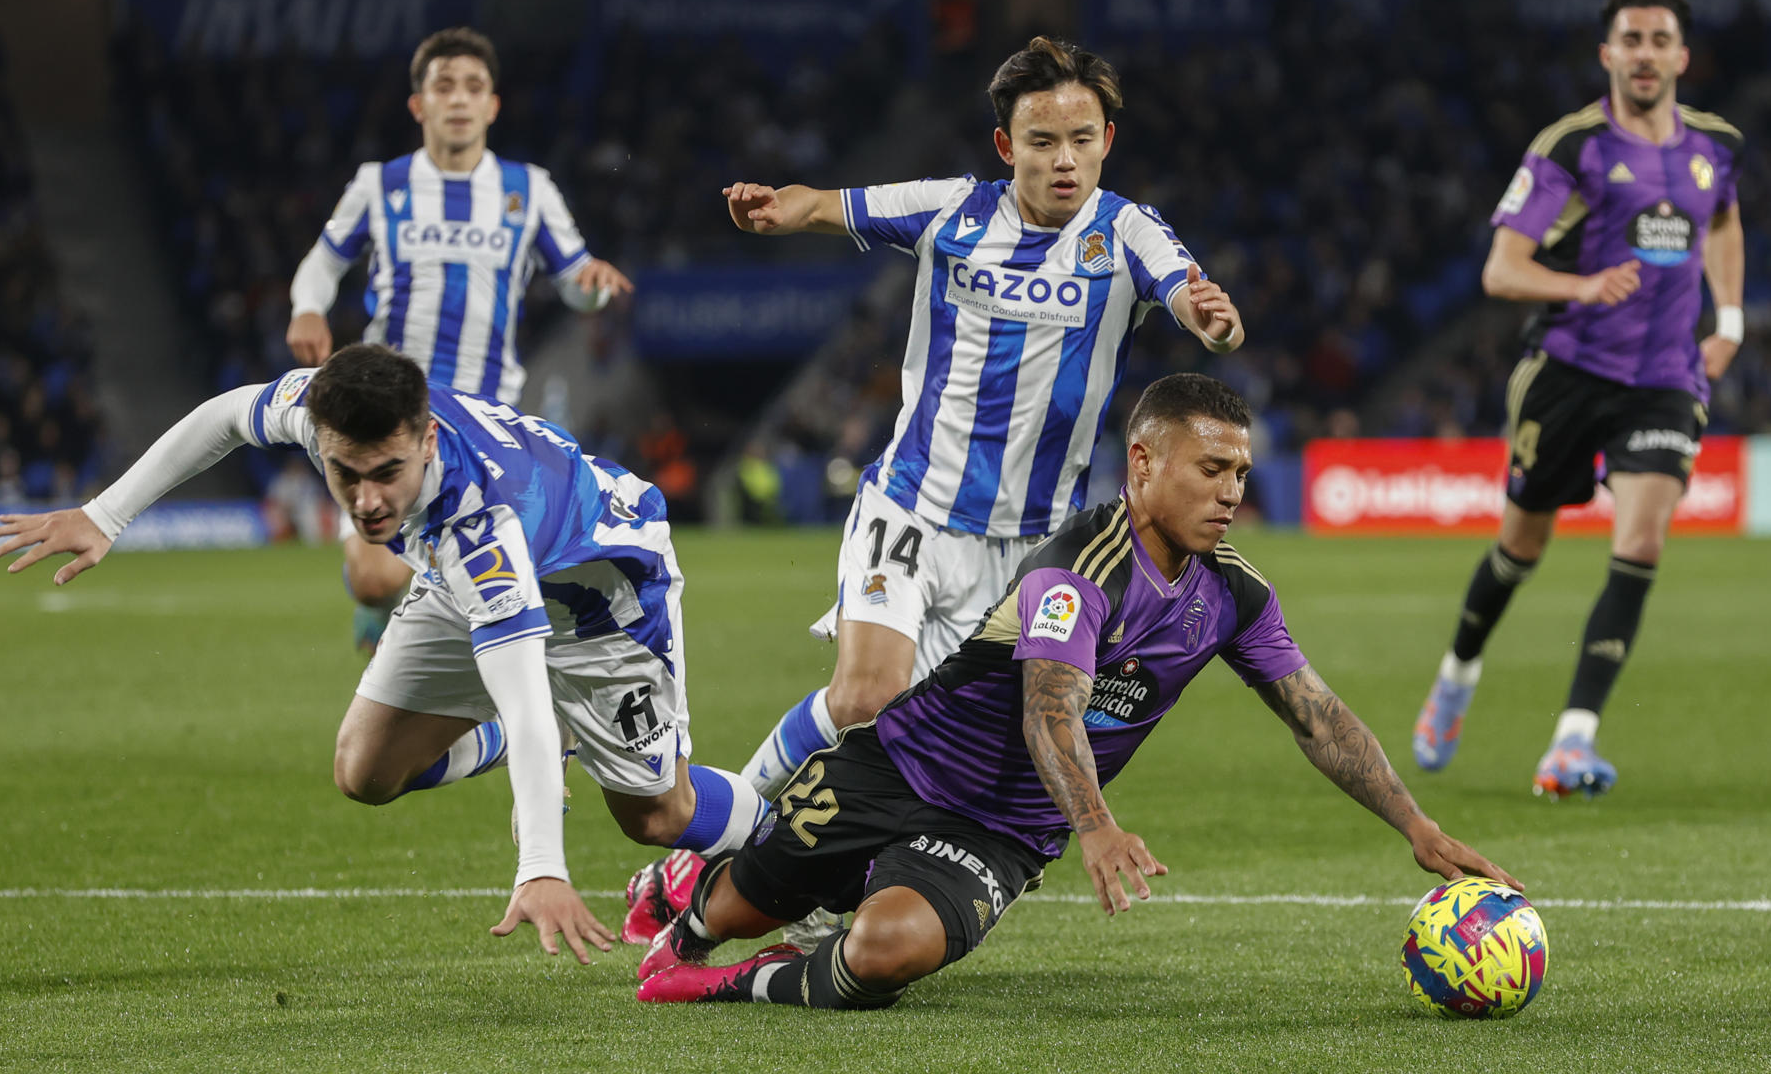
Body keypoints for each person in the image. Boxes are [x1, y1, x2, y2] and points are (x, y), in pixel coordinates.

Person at [622, 35, 1245, 945]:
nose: (1061, 158)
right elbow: (828, 204)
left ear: (1107, 138)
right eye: (1040, 140)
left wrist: (1212, 322)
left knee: (926, 744)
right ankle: (710, 848)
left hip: (1034, 549)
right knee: (865, 695)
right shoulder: (952, 211)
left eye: (1079, 138)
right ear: (1007, 147)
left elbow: (1189, 292)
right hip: (912, 509)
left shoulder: (1128, 232)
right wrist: (776, 211)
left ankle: (810, 882)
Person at [626, 374, 1517, 1008]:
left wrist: (1418, 827)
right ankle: (692, 897)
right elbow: (1048, 705)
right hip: (896, 770)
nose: (1231, 493)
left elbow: (1319, 718)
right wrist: (1096, 827)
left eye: (1240, 474)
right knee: (729, 907)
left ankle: (730, 983)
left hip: (1001, 830)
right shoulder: (1079, 569)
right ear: (1142, 464)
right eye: (1210, 470)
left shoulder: (1237, 595)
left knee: (884, 952)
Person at [0, 344, 765, 965]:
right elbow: (225, 416)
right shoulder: (318, 408)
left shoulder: (481, 525)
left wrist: (542, 868)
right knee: (364, 772)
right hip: (462, 576)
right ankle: (562, 738)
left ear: (426, 440)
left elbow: (525, 696)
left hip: (597, 594)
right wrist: (104, 514)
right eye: (344, 474)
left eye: (388, 472)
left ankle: (806, 835)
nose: (366, 502)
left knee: (658, 815)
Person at [1412, 0, 1745, 799]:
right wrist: (1584, 287)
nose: (1644, 53)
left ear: (1681, 57)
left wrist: (1729, 321)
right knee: (1521, 547)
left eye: (1659, 39)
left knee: (1641, 544)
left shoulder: (1715, 147)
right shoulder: (1572, 147)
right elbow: (1502, 268)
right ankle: (1458, 672)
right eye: (1630, 39)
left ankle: (1572, 742)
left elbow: (1725, 223)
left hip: (1666, 380)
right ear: (1608, 55)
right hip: (1566, 374)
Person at [284, 27, 633, 654]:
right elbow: (322, 263)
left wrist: (596, 288)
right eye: (444, 86)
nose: (459, 100)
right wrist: (308, 308)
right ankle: (382, 604)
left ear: (493, 105)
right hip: (388, 411)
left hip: (483, 415)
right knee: (371, 581)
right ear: (419, 105)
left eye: (474, 87)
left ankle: (454, 666)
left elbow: (575, 281)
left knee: (497, 580)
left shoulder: (528, 190)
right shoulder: (379, 185)